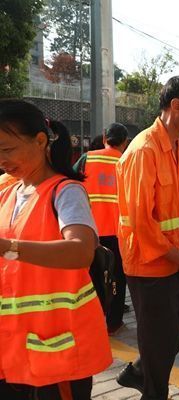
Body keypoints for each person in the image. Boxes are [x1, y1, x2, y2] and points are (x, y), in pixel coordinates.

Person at [0, 99, 112, 399]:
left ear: (40, 141)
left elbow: (80, 251)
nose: (1, 159)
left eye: (7, 149)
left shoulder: (66, 192)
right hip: (14, 349)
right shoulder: (9, 188)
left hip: (56, 351)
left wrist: (8, 248)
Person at [115, 76, 179, 399]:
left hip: (175, 261)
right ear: (176, 106)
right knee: (159, 339)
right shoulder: (143, 151)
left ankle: (143, 371)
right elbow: (142, 223)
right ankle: (151, 387)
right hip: (148, 264)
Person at [80, 122, 129, 335]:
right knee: (117, 277)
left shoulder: (87, 158)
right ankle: (114, 322)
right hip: (120, 232)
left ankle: (94, 318)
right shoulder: (127, 161)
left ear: (103, 136)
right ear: (124, 142)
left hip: (90, 231)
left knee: (92, 276)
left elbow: (69, 183)